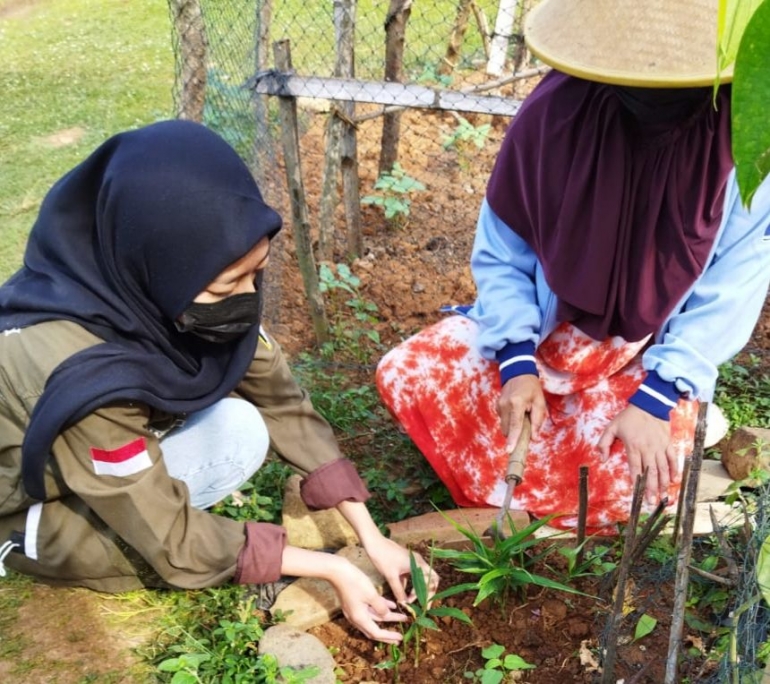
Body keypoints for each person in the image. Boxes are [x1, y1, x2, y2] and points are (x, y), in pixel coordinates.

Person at [0, 119, 437, 644]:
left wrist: (371, 538)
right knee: (153, 550)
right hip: (20, 502)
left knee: (240, 429)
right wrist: (330, 568)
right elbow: (172, 541)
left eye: (258, 273)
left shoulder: (158, 290)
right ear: (157, 267)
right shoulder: (81, 371)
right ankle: (25, 545)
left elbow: (283, 404)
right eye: (227, 284)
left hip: (89, 451)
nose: (247, 299)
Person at [377, 0, 770, 534]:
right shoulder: (552, 117)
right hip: (545, 336)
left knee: (644, 466)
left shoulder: (741, 144)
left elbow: (731, 289)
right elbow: (502, 254)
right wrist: (517, 364)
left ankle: (531, 495)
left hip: (640, 360)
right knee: (411, 372)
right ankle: (518, 496)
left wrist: (655, 400)